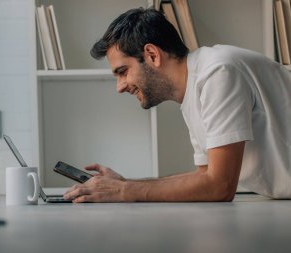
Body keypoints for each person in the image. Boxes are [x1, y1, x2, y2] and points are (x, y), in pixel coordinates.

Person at [63, 7, 291, 202]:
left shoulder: (217, 72)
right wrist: (124, 183)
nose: (120, 87)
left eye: (123, 72)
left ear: (152, 54)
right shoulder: (193, 89)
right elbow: (205, 177)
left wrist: (125, 191)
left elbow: (220, 186)